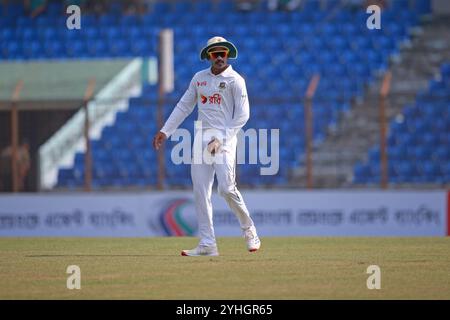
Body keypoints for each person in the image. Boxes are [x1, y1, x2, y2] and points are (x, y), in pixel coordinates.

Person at [152, 36, 261, 256]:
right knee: (200, 191)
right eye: (215, 53)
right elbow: (184, 106)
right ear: (208, 56)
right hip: (202, 140)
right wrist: (166, 130)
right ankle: (208, 243)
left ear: (228, 54)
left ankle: (249, 230)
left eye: (223, 53)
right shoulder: (199, 78)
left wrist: (221, 138)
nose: (219, 57)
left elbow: (243, 115)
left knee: (226, 189)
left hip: (225, 140)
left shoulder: (235, 80)